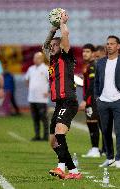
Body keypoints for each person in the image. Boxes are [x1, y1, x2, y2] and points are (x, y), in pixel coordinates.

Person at [42, 10, 81, 179]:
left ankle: (60, 168)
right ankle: (73, 172)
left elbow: (65, 35)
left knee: (59, 132)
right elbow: (44, 46)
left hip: (69, 101)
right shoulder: (52, 59)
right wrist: (52, 30)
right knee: (53, 142)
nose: (51, 47)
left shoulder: (66, 56)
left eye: (54, 45)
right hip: (59, 103)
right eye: (52, 46)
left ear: (61, 46)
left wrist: (62, 22)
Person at [94, 35, 120, 169]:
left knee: (119, 130)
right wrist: (97, 97)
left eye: (112, 44)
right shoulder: (100, 62)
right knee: (105, 131)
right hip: (103, 101)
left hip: (119, 101)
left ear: (118, 46)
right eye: (107, 44)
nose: (109, 46)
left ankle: (119, 159)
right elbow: (97, 82)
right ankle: (110, 157)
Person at [79, 43, 100, 158]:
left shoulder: (92, 66)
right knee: (91, 124)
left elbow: (92, 85)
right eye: (83, 52)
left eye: (87, 51)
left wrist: (85, 100)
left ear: (93, 53)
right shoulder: (87, 65)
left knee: (93, 124)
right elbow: (87, 84)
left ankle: (96, 149)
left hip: (92, 101)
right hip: (90, 100)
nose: (84, 54)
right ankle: (96, 148)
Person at [25, 52, 49, 141]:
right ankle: (37, 135)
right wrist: (31, 88)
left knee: (44, 118)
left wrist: (49, 91)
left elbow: (53, 81)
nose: (35, 59)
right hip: (32, 98)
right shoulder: (30, 69)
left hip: (42, 98)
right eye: (34, 58)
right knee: (35, 118)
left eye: (37, 58)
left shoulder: (46, 69)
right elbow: (27, 79)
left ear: (42, 59)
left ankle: (46, 135)